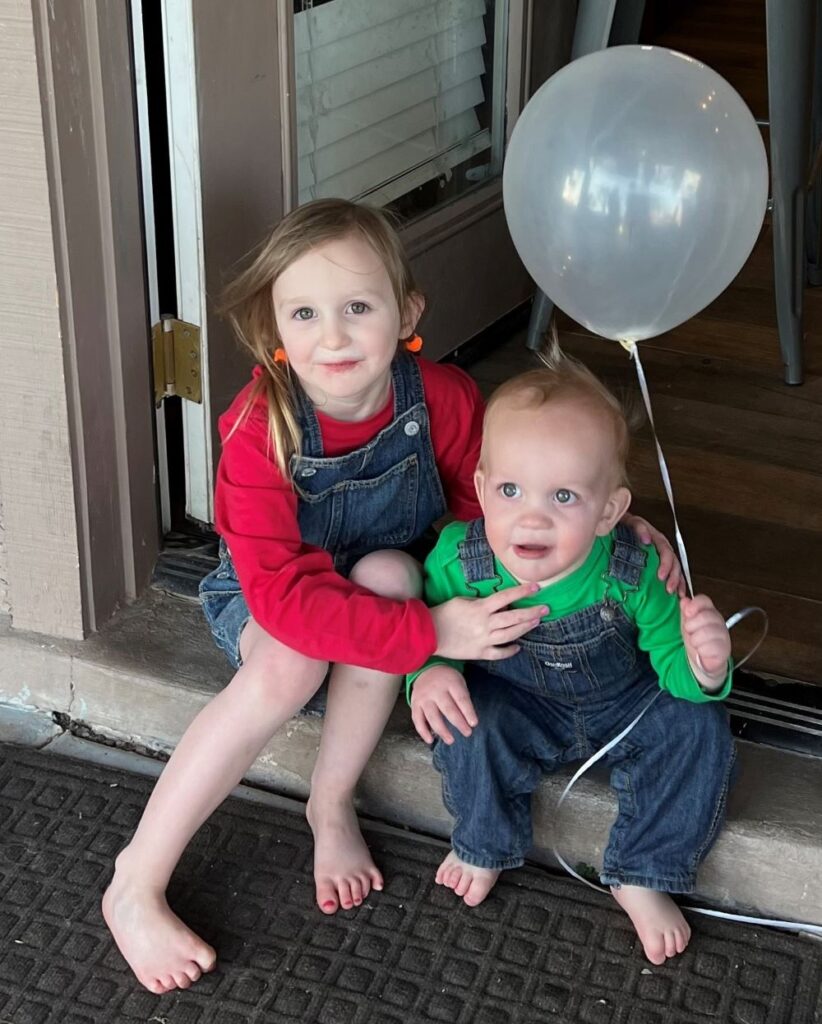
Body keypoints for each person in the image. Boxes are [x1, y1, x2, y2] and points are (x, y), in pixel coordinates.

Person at [102, 199, 680, 994]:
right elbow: (283, 598)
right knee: (296, 661)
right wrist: (427, 639)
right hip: (276, 609)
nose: (332, 336)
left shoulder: (439, 399)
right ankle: (135, 880)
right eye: (304, 312)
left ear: (406, 313)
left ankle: (329, 804)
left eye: (358, 308)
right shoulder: (257, 431)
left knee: (388, 575)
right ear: (274, 326)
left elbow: (504, 510)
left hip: (394, 589)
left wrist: (609, 529)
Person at [408, 346, 736, 966]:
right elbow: (425, 632)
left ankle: (643, 870)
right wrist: (428, 672)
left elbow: (675, 672)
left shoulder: (634, 571)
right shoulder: (460, 560)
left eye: (564, 498)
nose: (531, 516)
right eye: (510, 489)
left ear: (610, 510)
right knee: (465, 721)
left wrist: (706, 665)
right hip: (519, 703)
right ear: (480, 489)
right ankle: (482, 839)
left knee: (698, 726)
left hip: (626, 707)